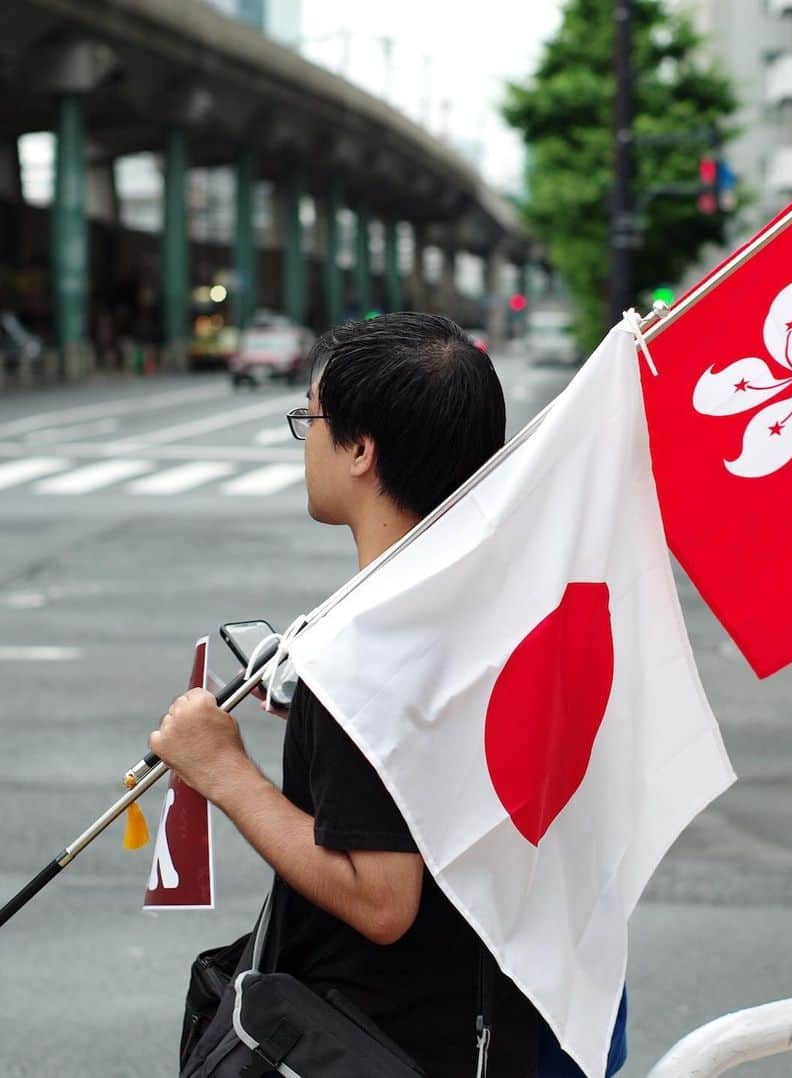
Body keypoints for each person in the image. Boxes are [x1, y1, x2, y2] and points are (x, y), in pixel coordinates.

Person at [150, 314, 541, 1076]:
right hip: (488, 1019)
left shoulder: (372, 646)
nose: (306, 443)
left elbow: (382, 900)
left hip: (377, 1039)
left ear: (361, 448)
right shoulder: (489, 606)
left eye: (312, 418)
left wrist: (221, 769)